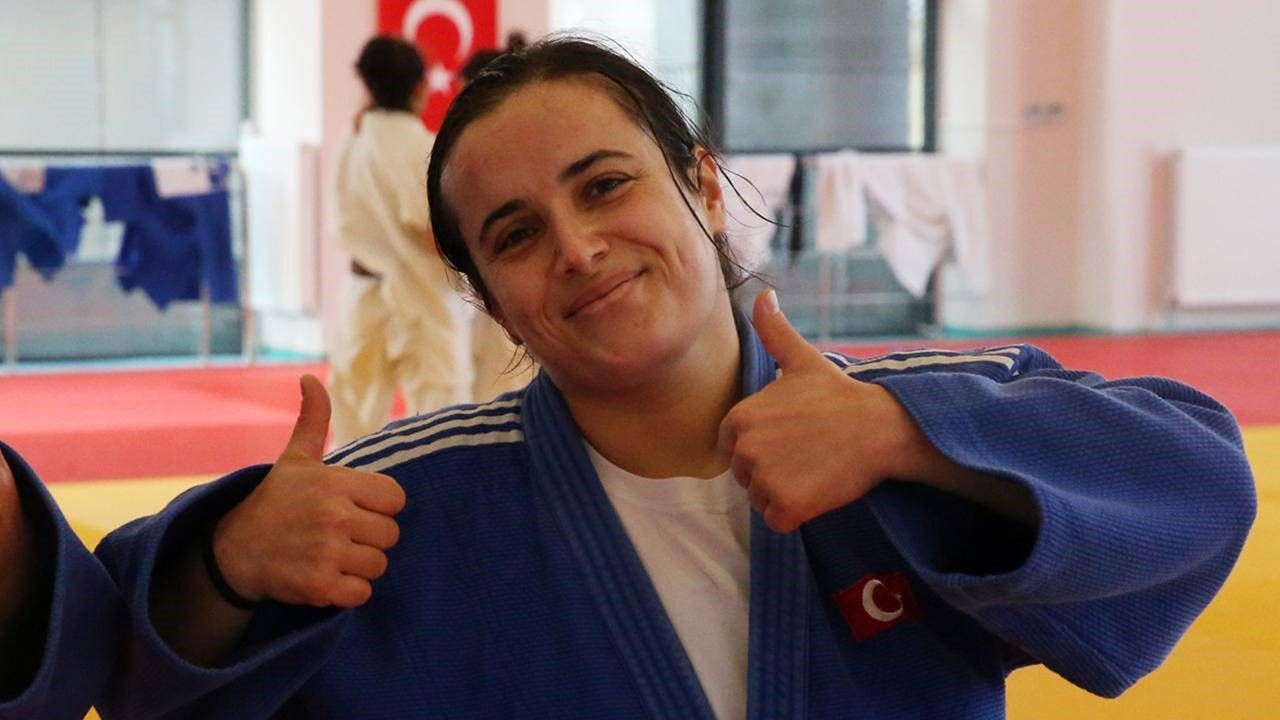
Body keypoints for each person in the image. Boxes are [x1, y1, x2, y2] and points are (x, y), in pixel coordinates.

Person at [4, 36, 1257, 720]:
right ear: (490, 300)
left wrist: (901, 436)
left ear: (699, 185)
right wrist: (231, 563)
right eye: (514, 235)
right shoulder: (405, 506)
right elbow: (129, 671)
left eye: (605, 185)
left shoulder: (907, 420)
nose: (578, 248)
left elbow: (1200, 477)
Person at [329, 35, 527, 448]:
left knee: (356, 409)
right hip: (420, 292)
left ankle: (345, 473)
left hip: (364, 289)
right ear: (421, 86)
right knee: (441, 407)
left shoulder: (354, 136)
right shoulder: (417, 146)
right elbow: (431, 232)